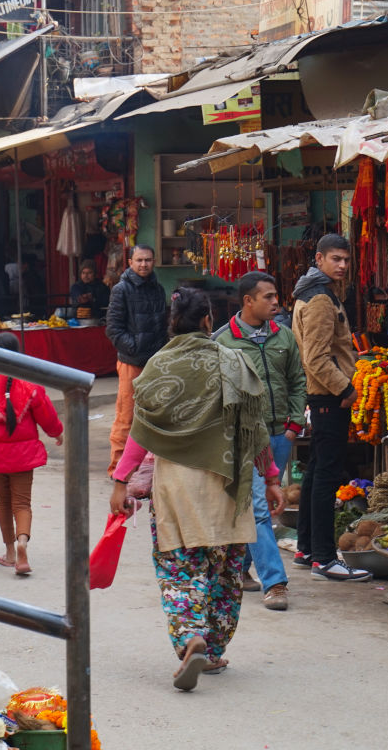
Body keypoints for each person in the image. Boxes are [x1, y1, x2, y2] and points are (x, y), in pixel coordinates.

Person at [108, 287, 284, 691]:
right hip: (228, 485)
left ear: (173, 323)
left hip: (177, 490)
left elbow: (141, 432)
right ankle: (216, 648)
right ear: (208, 320)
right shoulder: (233, 361)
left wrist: (121, 481)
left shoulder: (157, 367)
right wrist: (271, 478)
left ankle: (191, 638)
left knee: (179, 568)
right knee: (224, 571)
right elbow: (254, 428)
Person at [213, 270, 306, 611]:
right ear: (248, 301)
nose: (276, 302)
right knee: (258, 508)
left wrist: (295, 424)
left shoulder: (284, 337)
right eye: (268, 297)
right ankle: (276, 582)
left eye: (275, 296)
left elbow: (297, 380)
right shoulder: (223, 342)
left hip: (280, 433)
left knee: (261, 503)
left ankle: (239, 568)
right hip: (245, 439)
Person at [291, 234, 369, 582]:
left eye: (346, 260)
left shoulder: (312, 292)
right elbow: (316, 358)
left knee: (315, 471)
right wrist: (347, 389)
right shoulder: (321, 299)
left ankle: (306, 549)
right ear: (319, 259)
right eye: (335, 259)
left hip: (320, 396)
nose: (342, 265)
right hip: (328, 396)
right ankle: (324, 557)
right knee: (326, 475)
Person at [0, 332, 64, 576]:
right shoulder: (29, 383)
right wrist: (57, 432)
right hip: (23, 455)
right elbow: (47, 415)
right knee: (22, 503)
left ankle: (10, 553)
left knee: (3, 502)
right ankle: (23, 543)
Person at [104, 245, 167, 474]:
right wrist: (136, 349)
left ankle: (147, 470)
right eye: (139, 260)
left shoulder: (158, 289)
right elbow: (113, 330)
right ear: (130, 262)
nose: (144, 264)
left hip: (156, 364)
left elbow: (162, 327)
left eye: (148, 260)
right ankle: (117, 469)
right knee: (126, 416)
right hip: (132, 362)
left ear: (154, 261)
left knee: (155, 415)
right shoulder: (121, 290)